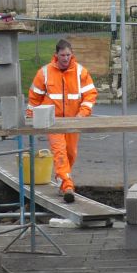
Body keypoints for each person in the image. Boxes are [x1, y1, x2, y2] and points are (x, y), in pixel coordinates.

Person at [27, 39, 98, 202]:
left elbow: (90, 94)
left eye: (68, 55)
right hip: (53, 122)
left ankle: (62, 180)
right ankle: (67, 186)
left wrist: (83, 113)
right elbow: (34, 97)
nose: (65, 58)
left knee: (71, 153)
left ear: (72, 54)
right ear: (56, 55)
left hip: (74, 121)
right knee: (60, 152)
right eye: (62, 55)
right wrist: (31, 117)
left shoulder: (81, 72)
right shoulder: (44, 72)